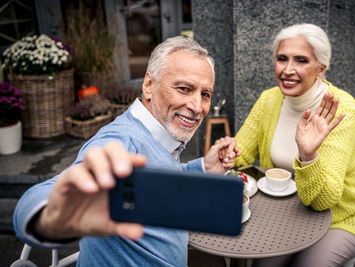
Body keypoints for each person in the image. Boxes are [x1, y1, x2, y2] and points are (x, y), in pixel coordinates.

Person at [13, 36, 240, 266]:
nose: (196, 106)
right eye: (184, 88)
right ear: (149, 85)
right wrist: (55, 217)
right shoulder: (121, 140)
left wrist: (204, 167)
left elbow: (157, 180)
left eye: (205, 94)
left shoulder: (160, 133)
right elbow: (31, 204)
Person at [230, 24, 355, 266]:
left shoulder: (342, 107)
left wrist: (308, 154)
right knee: (260, 262)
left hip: (344, 214)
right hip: (288, 211)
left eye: (301, 60)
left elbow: (324, 201)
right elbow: (241, 154)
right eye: (282, 59)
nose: (288, 70)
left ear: (321, 68)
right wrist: (224, 153)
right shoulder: (269, 99)